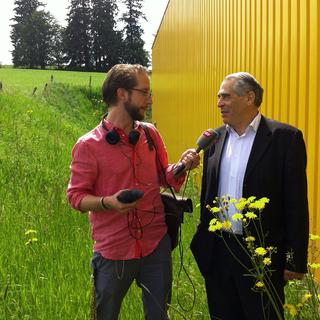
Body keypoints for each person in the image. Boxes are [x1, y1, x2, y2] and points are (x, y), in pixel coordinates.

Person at [67, 64, 200, 320]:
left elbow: (165, 179)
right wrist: (109, 203)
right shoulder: (87, 145)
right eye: (144, 93)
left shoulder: (150, 133)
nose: (150, 100)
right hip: (113, 250)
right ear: (122, 94)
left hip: (156, 243)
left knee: (159, 315)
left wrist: (182, 165)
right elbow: (75, 197)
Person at [190, 72, 309, 320]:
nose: (219, 103)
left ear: (249, 97)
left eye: (226, 96)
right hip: (219, 252)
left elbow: (296, 204)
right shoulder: (214, 139)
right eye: (218, 97)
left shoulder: (285, 139)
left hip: (261, 257)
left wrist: (294, 260)